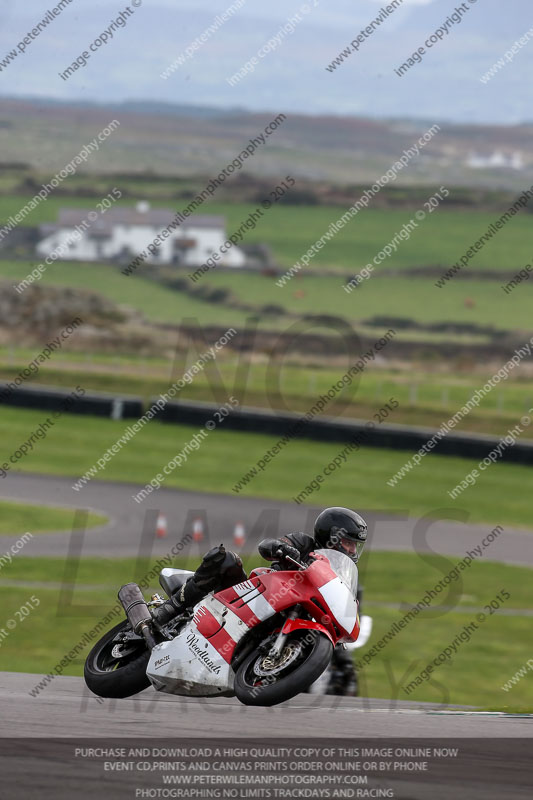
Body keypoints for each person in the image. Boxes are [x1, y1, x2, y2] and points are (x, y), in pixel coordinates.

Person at [153, 507, 367, 693]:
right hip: (254, 597)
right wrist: (281, 548)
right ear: (331, 535)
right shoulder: (304, 543)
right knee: (226, 560)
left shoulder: (343, 577)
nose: (351, 550)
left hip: (289, 619)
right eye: (348, 543)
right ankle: (171, 608)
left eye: (355, 545)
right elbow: (269, 545)